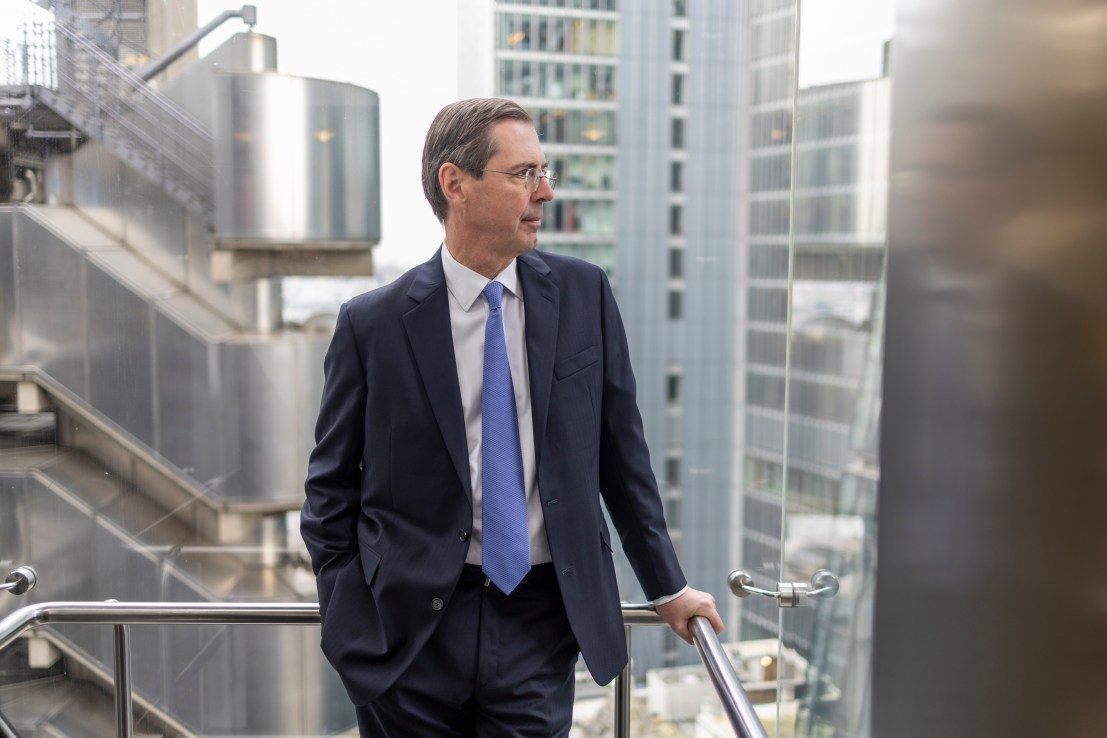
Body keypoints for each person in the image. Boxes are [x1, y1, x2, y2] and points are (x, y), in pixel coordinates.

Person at [301, 97, 723, 738]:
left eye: (544, 172)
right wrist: (350, 615)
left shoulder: (584, 294)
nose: (545, 191)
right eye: (525, 173)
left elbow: (622, 458)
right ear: (455, 184)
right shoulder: (373, 324)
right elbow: (330, 490)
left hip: (539, 625)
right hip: (407, 635)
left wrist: (668, 588)